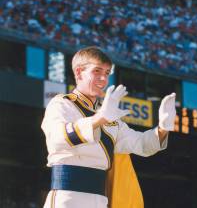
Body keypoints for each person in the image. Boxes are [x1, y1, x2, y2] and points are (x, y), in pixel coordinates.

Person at [41, 46, 176, 208]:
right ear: (78, 72)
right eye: (97, 71)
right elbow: (58, 139)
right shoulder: (62, 103)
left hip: (100, 200)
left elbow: (141, 145)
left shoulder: (110, 117)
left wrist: (163, 128)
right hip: (68, 197)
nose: (103, 79)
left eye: (106, 73)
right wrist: (99, 119)